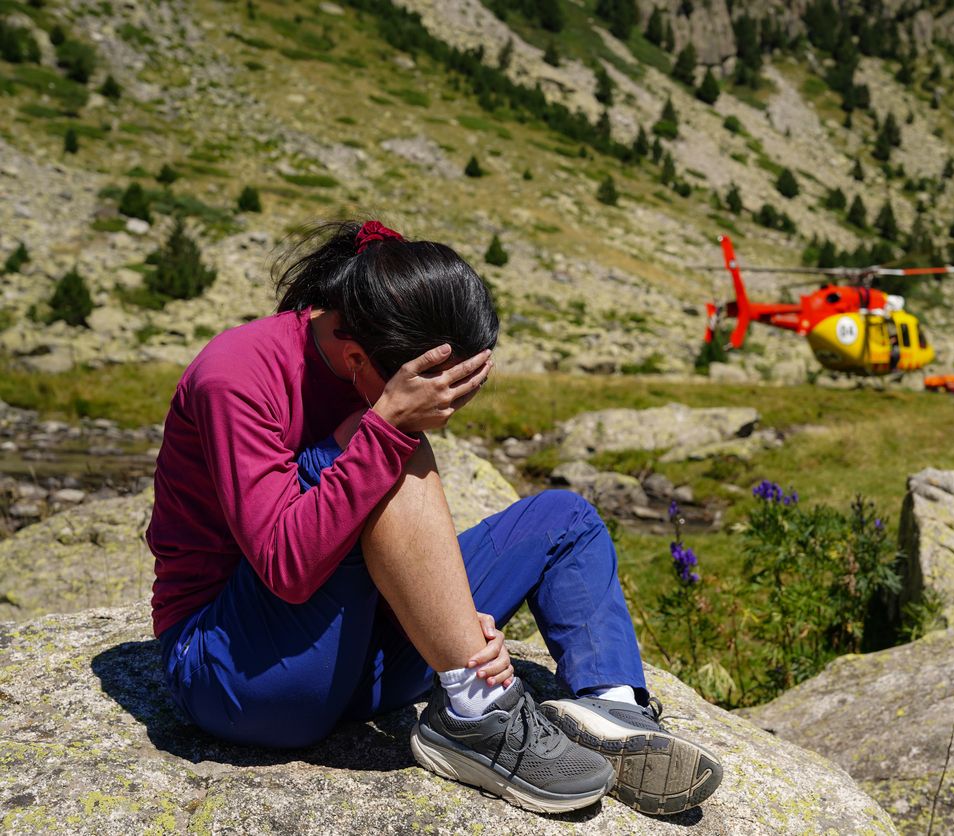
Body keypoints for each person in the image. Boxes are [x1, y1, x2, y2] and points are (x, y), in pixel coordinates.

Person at [146, 220, 722, 816]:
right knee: (388, 451)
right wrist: (389, 428)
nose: (442, 414)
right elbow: (285, 568)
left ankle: (612, 711)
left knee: (564, 521)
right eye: (436, 400)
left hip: (358, 650)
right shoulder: (235, 374)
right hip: (238, 669)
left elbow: (381, 547)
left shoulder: (374, 361)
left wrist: (450, 619)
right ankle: (475, 711)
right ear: (355, 359)